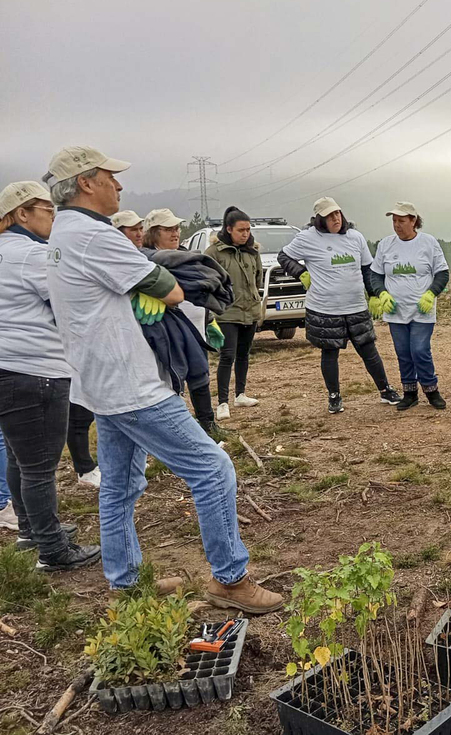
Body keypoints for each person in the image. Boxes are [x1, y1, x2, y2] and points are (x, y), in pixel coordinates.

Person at [45, 145, 282, 610]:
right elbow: (171, 290)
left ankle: (124, 584)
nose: (119, 185)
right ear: (86, 183)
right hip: (132, 384)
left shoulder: (62, 234)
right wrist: (160, 287)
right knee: (214, 470)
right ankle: (230, 579)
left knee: (120, 485)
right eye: (110, 177)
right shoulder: (97, 237)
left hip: (99, 380)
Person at [0, 181, 99, 570]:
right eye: (46, 209)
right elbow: (68, 300)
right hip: (36, 370)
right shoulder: (30, 254)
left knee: (20, 457)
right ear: (21, 214)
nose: (53, 216)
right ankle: (53, 551)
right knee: (40, 466)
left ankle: (32, 531)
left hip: (7, 369)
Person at [277, 197, 401, 414]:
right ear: (320, 220)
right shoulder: (307, 238)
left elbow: (366, 269)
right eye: (329, 216)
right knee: (330, 353)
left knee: (368, 349)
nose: (335, 218)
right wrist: (301, 272)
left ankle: (385, 389)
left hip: (355, 306)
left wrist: (373, 294)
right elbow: (283, 256)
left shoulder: (355, 237)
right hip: (325, 308)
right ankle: (334, 396)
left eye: (337, 214)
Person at [142, 208, 226, 435]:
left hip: (196, 329)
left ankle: (208, 426)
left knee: (200, 376)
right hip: (167, 333)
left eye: (176, 228)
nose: (175, 232)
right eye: (168, 229)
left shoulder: (185, 256)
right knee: (171, 381)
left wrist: (210, 319)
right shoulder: (146, 261)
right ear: (153, 233)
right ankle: (176, 431)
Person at [370, 202, 449, 411]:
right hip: (395, 311)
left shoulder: (428, 243)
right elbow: (375, 274)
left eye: (401, 221)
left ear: (413, 221)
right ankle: (410, 392)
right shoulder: (386, 245)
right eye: (394, 221)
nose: (397, 225)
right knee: (403, 351)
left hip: (422, 309)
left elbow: (442, 273)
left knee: (419, 349)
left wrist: (431, 294)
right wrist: (381, 293)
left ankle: (431, 390)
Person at [204, 206, 262, 420]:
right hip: (227, 313)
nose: (245, 234)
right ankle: (222, 403)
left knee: (244, 354)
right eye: (241, 230)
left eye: (248, 229)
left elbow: (257, 280)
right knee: (227, 356)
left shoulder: (253, 251)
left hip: (250, 311)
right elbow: (208, 282)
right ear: (228, 229)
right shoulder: (213, 253)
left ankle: (240, 394)